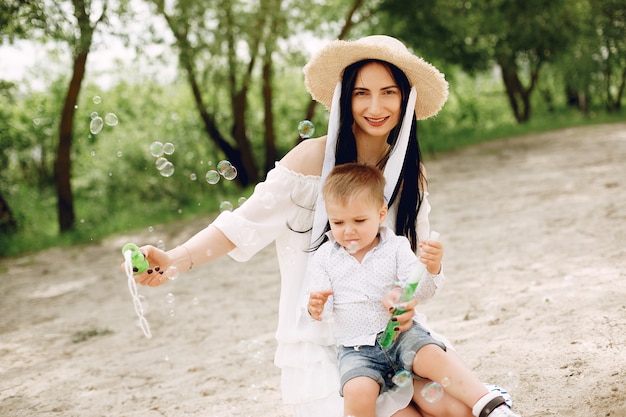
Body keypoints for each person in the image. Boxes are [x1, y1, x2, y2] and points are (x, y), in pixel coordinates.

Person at [125, 35, 513, 417]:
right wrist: (172, 259)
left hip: (393, 334)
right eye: (361, 93)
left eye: (388, 92)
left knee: (455, 409)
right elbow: (240, 226)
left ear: (406, 98)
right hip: (326, 341)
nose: (375, 106)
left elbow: (414, 270)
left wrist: (413, 292)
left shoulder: (411, 173)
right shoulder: (310, 160)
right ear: (345, 98)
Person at [305, 163, 520, 417]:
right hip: (357, 349)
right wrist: (316, 306)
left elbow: (420, 291)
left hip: (402, 335)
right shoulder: (324, 257)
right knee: (356, 390)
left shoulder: (395, 247)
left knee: (432, 354)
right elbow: (322, 306)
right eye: (338, 222)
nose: (348, 230)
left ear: (381, 213)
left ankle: (489, 405)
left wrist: (431, 267)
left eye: (359, 220)